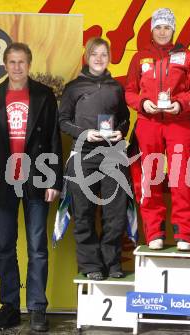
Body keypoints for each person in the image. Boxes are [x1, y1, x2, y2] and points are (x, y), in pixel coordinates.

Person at [0, 42, 63, 332]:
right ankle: (9, 307)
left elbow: (53, 140)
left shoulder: (44, 95)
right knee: (4, 247)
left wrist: (54, 180)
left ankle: (37, 308)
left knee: (37, 247)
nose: (17, 67)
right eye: (12, 62)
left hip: (36, 178)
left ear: (29, 63)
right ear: (4, 64)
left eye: (22, 62)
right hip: (2, 181)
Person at [125, 8, 190, 251]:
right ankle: (154, 233)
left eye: (167, 27)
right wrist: (142, 103)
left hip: (179, 123)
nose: (162, 31)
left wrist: (181, 104)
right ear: (152, 30)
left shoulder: (187, 56)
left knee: (180, 177)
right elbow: (129, 91)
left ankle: (184, 233)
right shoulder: (140, 57)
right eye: (158, 27)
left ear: (173, 30)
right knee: (149, 178)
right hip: (148, 123)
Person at [59, 37, 130, 281]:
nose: (99, 59)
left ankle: (112, 263)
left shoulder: (116, 88)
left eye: (103, 54)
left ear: (109, 57)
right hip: (83, 154)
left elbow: (124, 118)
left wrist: (121, 131)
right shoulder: (73, 88)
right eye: (94, 54)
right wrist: (85, 133)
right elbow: (63, 121)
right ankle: (91, 265)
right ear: (86, 58)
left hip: (112, 154)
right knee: (84, 211)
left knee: (115, 212)